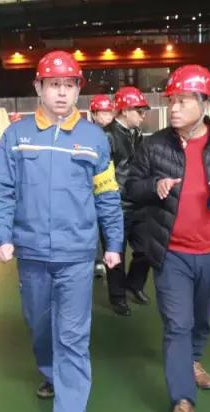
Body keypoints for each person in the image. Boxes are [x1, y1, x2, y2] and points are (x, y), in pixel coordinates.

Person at [0, 50, 124, 412]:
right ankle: (50, 372)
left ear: (78, 89)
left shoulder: (94, 139)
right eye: (53, 84)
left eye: (69, 85)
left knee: (73, 335)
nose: (62, 92)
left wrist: (114, 243)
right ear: (38, 88)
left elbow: (107, 194)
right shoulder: (17, 136)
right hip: (31, 254)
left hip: (76, 255)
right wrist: (1, 236)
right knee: (39, 325)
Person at [126, 65, 210, 412]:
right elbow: (131, 186)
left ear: (205, 103)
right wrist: (154, 187)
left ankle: (193, 358)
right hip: (172, 253)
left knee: (202, 317)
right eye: (172, 101)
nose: (174, 108)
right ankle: (182, 401)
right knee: (177, 324)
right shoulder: (154, 146)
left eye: (183, 101)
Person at [102, 86, 152, 316]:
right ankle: (118, 296)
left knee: (147, 248)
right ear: (124, 110)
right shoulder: (107, 136)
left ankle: (134, 284)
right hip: (116, 206)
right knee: (116, 254)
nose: (143, 116)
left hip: (139, 202)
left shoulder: (137, 134)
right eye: (139, 111)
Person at [89, 94, 116, 278]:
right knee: (94, 223)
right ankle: (96, 259)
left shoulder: (114, 133)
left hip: (108, 182)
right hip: (93, 184)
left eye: (109, 113)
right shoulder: (89, 134)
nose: (108, 117)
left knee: (107, 220)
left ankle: (104, 256)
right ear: (94, 114)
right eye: (103, 113)